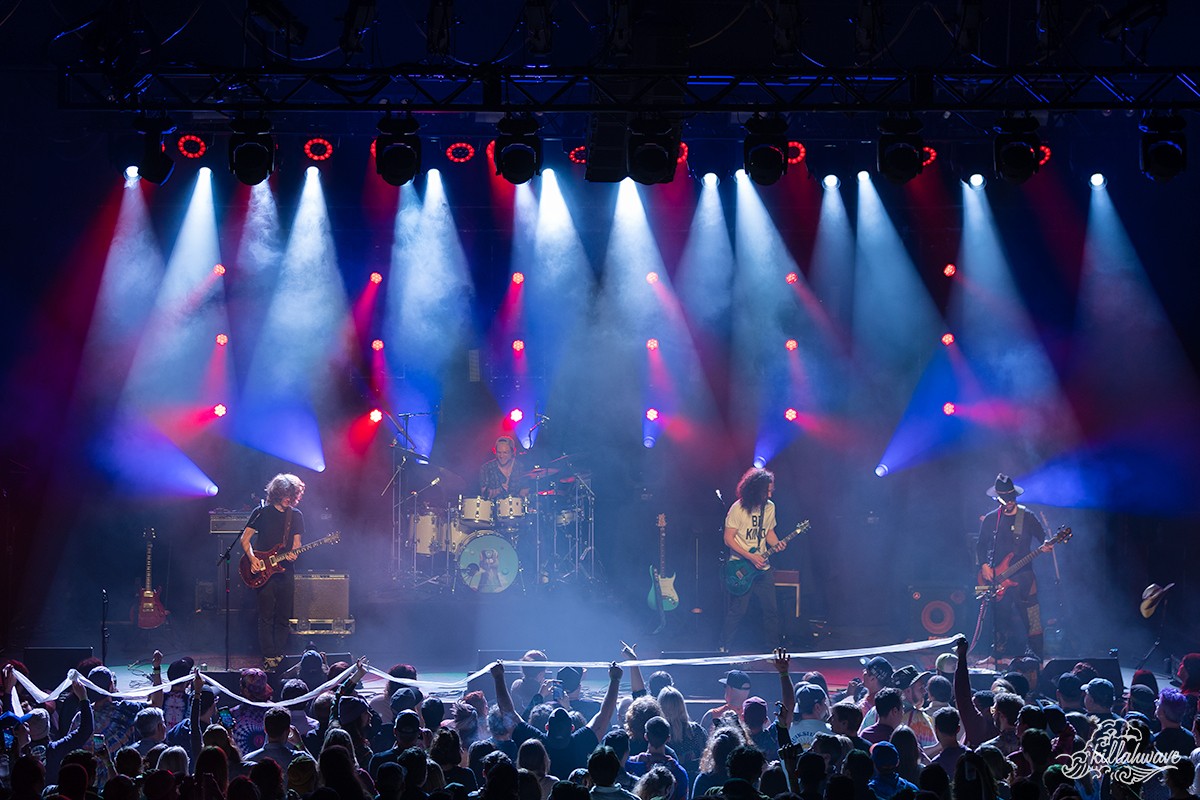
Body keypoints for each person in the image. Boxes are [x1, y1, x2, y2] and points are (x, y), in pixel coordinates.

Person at [975, 474, 1051, 661]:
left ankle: (1037, 656)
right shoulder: (992, 519)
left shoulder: (1027, 517)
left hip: (1024, 576)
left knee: (1031, 617)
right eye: (1004, 498)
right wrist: (984, 565)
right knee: (1000, 617)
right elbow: (981, 545)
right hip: (998, 577)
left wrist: (1048, 545)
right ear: (997, 498)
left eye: (1011, 497)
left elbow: (1043, 539)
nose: (1008, 502)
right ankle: (997, 655)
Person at [240, 473, 306, 670]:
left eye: (292, 495)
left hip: (286, 571)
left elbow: (297, 544)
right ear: (277, 493)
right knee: (266, 615)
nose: (290, 499)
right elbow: (245, 540)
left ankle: (279, 654)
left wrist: (294, 554)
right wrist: (252, 559)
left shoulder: (296, 515)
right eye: (286, 494)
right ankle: (269, 656)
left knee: (283, 615)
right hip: (263, 570)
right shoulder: (261, 512)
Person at [718, 467, 786, 652]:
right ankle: (725, 647)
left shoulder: (770, 507)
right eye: (767, 490)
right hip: (741, 566)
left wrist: (777, 543)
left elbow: (768, 532)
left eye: (771, 490)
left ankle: (773, 650)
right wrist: (750, 557)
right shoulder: (738, 509)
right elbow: (728, 538)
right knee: (738, 611)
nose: (770, 494)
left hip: (763, 566)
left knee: (771, 610)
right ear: (756, 489)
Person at [480, 436, 531, 501]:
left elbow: (525, 490)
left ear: (512, 452)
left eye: (505, 453)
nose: (501, 456)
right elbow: (484, 494)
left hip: (517, 507)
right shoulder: (486, 468)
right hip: (494, 508)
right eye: (499, 452)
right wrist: (498, 490)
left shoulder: (520, 467)